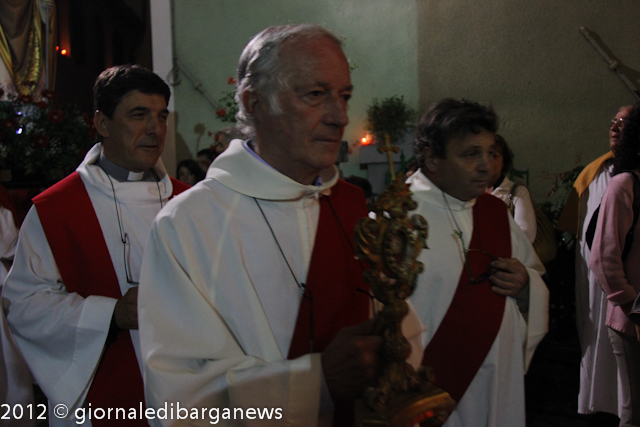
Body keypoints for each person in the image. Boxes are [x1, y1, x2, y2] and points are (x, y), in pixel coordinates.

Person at [139, 24, 388, 426]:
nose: (340, 117)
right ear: (254, 102)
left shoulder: (353, 211)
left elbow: (402, 332)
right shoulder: (188, 225)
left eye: (344, 96)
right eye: (315, 94)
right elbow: (179, 399)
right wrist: (317, 383)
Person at [3, 64, 189, 426]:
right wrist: (111, 314)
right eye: (139, 115)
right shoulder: (57, 209)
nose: (155, 129)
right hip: (105, 399)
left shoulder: (191, 202)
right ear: (102, 123)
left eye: (161, 116)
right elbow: (24, 305)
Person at [407, 98, 549, 427]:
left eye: (490, 152)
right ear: (432, 158)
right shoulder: (400, 216)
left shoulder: (494, 212)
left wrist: (525, 284)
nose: (487, 166)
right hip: (432, 392)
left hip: (499, 377)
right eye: (471, 154)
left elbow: (532, 275)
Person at [558, 105, 633, 418]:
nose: (615, 127)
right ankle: (599, 402)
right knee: (596, 338)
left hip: (628, 280)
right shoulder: (597, 173)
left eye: (624, 122)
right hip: (599, 279)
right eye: (613, 121)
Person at [591, 102, 640, 427]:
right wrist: (633, 306)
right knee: (635, 413)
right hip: (632, 320)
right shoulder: (625, 185)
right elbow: (603, 258)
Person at [487, 134, 537, 243]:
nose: (488, 161)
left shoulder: (517, 192)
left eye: (495, 156)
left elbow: (527, 234)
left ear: (504, 162)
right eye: (484, 155)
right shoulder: (469, 192)